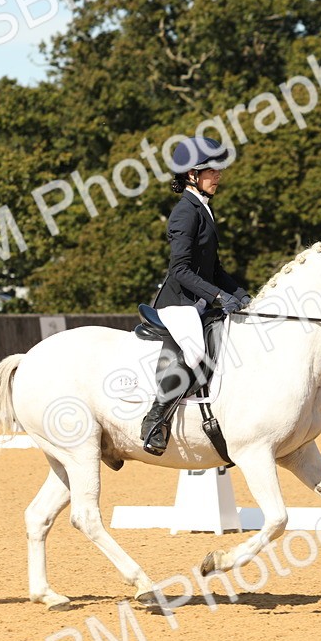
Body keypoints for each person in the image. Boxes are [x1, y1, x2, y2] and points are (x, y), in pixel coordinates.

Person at [140, 136, 250, 455]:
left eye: (218, 170)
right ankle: (155, 420)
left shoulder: (203, 209)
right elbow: (180, 270)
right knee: (194, 351)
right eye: (211, 171)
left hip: (198, 300)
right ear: (192, 174)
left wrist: (241, 295)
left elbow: (214, 269)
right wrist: (218, 296)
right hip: (179, 304)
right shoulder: (185, 213)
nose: (218, 176)